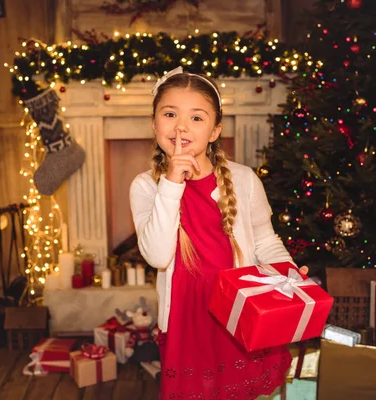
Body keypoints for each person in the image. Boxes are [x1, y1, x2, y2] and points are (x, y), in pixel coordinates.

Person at [129, 66, 309, 399]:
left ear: (215, 131)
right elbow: (156, 254)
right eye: (170, 114)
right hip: (187, 323)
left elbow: (266, 241)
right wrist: (170, 183)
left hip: (237, 314)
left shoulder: (244, 180)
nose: (181, 126)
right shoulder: (146, 186)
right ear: (155, 125)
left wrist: (290, 275)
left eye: (196, 118)